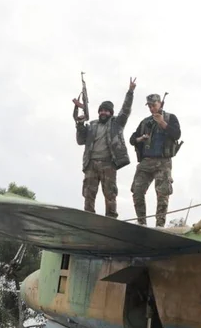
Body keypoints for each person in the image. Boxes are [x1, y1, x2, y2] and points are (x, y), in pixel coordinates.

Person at [74, 78, 136, 218]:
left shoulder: (116, 124)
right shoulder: (92, 125)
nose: (103, 112)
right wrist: (79, 124)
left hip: (108, 163)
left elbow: (125, 110)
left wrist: (130, 92)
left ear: (111, 113)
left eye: (106, 111)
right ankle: (88, 218)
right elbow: (80, 140)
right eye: (101, 110)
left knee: (110, 193)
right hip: (91, 164)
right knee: (88, 194)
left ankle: (111, 218)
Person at [129, 93, 181, 227]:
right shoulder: (146, 122)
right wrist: (141, 139)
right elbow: (132, 139)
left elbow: (177, 134)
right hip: (146, 161)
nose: (152, 108)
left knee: (162, 194)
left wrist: (162, 123)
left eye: (154, 105)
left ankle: (160, 225)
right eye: (150, 106)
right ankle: (142, 223)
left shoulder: (170, 118)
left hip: (163, 162)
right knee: (137, 190)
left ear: (160, 104)